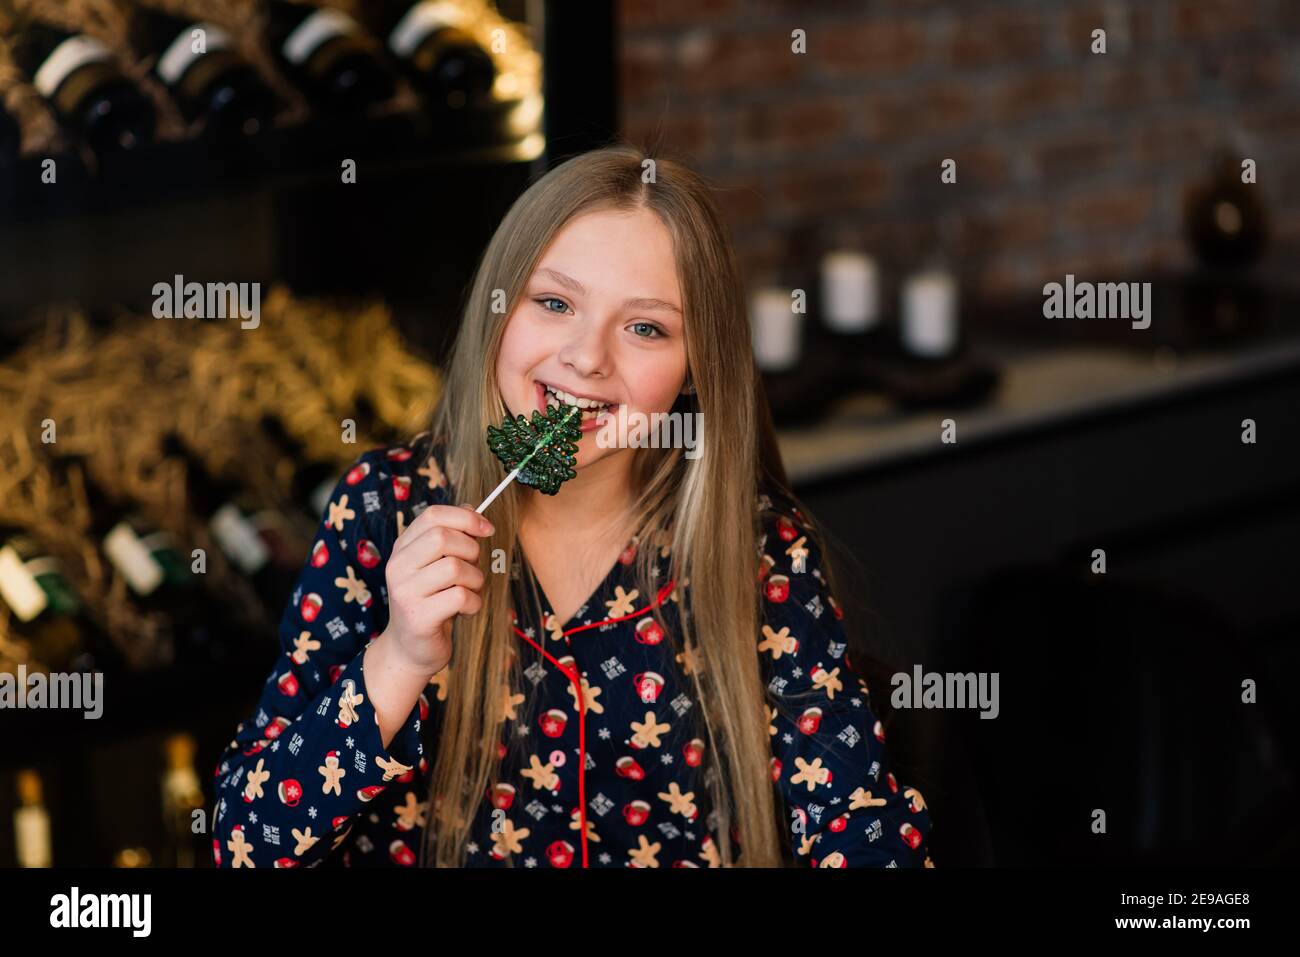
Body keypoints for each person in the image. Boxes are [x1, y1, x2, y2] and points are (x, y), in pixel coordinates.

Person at [210, 144, 935, 868]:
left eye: (645, 326)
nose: (588, 357)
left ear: (695, 369)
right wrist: (398, 658)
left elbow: (854, 819)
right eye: (554, 303)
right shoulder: (384, 508)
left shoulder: (757, 549)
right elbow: (245, 845)